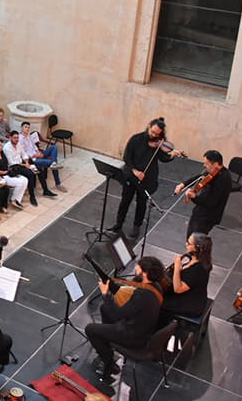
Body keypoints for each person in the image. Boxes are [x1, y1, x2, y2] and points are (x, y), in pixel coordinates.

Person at [86, 256, 165, 385]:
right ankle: (106, 344)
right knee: (105, 308)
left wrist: (105, 294)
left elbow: (118, 314)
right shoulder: (155, 286)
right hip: (143, 327)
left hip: (133, 335)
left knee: (90, 329)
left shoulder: (142, 295)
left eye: (138, 267)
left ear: (144, 273)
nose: (135, 268)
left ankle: (109, 363)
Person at [111, 118, 183, 238]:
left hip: (147, 178)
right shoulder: (136, 139)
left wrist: (172, 156)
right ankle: (118, 224)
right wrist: (135, 171)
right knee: (125, 201)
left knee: (141, 203)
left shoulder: (159, 143)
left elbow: (163, 158)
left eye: (157, 134)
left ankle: (136, 226)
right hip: (131, 175)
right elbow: (127, 157)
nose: (153, 135)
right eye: (152, 132)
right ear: (149, 126)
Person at [174, 150, 232, 237]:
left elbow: (211, 202)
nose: (204, 165)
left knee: (196, 240)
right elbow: (199, 177)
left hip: (208, 216)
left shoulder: (223, 179)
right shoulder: (213, 171)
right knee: (190, 236)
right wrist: (183, 184)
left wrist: (194, 197)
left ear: (215, 164)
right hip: (200, 211)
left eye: (206, 163)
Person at [161, 233, 212, 322]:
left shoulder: (197, 269)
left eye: (189, 243)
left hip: (189, 305)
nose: (186, 244)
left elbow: (178, 289)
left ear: (197, 248)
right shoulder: (200, 260)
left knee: (157, 300)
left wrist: (177, 267)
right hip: (193, 296)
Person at [18, 121, 67, 192]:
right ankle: (58, 183)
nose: (27, 129)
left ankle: (53, 163)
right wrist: (35, 155)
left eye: (28, 127)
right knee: (52, 163)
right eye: (25, 127)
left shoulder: (29, 136)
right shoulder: (20, 139)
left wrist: (38, 152)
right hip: (33, 159)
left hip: (38, 154)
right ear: (21, 128)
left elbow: (34, 146)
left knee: (54, 147)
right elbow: (23, 153)